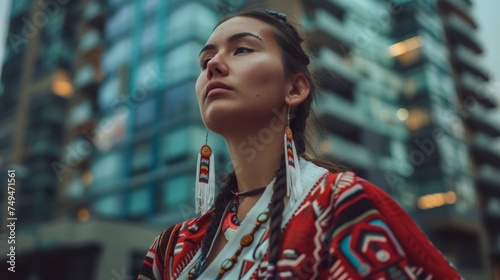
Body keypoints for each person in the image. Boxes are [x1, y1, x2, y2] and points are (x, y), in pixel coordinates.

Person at [137, 9, 462, 280]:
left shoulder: (344, 206)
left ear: (295, 88)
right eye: (205, 59)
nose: (213, 65)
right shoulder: (170, 248)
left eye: (242, 50)